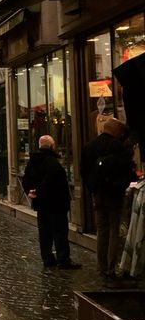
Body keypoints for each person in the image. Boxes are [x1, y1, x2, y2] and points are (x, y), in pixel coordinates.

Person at [81, 117, 135, 283]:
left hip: (97, 195)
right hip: (114, 194)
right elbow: (127, 169)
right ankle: (111, 268)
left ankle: (101, 267)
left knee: (102, 230)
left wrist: (94, 190)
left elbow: (83, 171)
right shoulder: (117, 147)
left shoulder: (90, 146)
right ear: (115, 131)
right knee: (114, 230)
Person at [22, 135, 81, 269]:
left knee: (45, 232)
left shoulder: (33, 161)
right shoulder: (52, 162)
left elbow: (26, 179)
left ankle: (47, 258)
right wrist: (37, 191)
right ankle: (63, 259)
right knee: (59, 232)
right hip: (55, 203)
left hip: (41, 204)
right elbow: (50, 182)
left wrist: (31, 191)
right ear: (51, 146)